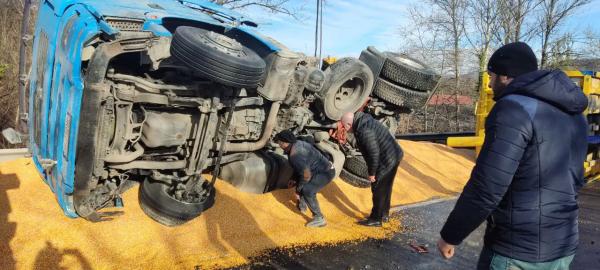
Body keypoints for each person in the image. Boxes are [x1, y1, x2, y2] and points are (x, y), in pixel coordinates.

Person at [437, 42, 588, 269]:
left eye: (491, 75)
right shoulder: (575, 114)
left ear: (506, 76)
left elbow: (487, 186)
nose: (489, 83)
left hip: (517, 251)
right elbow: (576, 178)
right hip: (564, 244)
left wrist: (451, 234)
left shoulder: (513, 109)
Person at [340, 111, 404, 227]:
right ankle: (384, 215)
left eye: (345, 127)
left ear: (349, 124)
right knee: (386, 187)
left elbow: (373, 154)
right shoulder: (364, 121)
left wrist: (372, 173)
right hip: (394, 154)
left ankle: (376, 219)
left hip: (387, 159)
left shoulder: (364, 131)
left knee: (378, 188)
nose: (345, 129)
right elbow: (365, 146)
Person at [274, 130, 336, 227]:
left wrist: (298, 191)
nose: (278, 144)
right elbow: (301, 168)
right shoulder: (297, 143)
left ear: (285, 143)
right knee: (300, 183)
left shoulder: (295, 155)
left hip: (325, 172)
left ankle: (319, 218)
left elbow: (306, 176)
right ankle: (303, 205)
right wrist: (294, 179)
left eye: (279, 142)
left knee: (307, 190)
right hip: (316, 170)